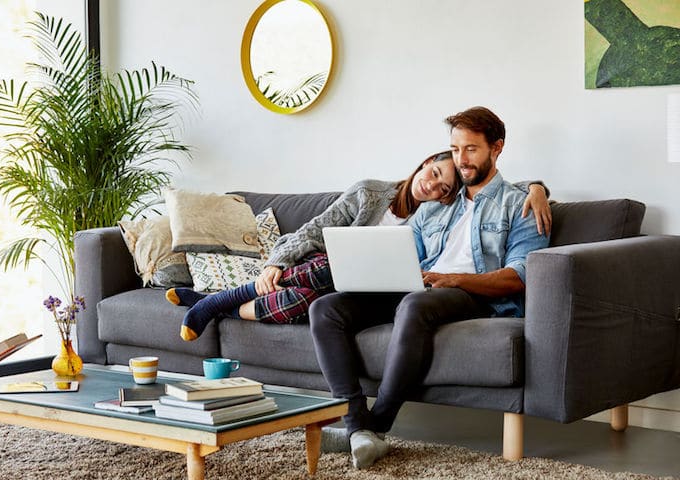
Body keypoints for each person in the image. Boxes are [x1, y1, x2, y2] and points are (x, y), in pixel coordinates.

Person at [308, 106, 551, 469]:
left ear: (496, 148)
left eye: (471, 149)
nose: (462, 159)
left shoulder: (521, 205)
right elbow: (409, 258)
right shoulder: (437, 206)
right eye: (455, 150)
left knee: (414, 306)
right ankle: (357, 425)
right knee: (326, 308)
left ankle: (377, 424)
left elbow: (519, 276)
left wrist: (454, 279)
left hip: (473, 297)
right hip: (419, 288)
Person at [168, 149, 551, 341]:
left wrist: (537, 187)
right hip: (329, 268)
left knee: (300, 303)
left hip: (372, 288)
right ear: (422, 164)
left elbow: (492, 187)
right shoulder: (370, 193)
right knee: (321, 269)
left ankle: (212, 304)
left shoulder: (441, 216)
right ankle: (217, 301)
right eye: (432, 173)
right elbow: (316, 229)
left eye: (443, 187)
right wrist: (277, 262)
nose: (431, 186)